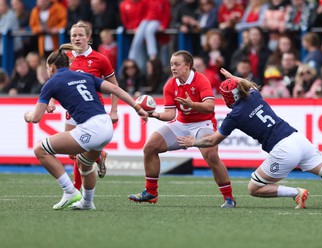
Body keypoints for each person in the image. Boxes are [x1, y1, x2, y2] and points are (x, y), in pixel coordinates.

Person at [177, 68, 322, 209]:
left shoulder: (234, 115)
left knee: (254, 188)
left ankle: (296, 193)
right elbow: (249, 85)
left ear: (226, 98)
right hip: (297, 139)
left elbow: (213, 140)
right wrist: (235, 78)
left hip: (283, 149)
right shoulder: (254, 95)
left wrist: (193, 142)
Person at [23, 44, 148, 210]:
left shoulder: (51, 82)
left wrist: (28, 115)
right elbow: (115, 89)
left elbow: (37, 118)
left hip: (91, 129)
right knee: (84, 163)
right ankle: (87, 203)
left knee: (40, 149)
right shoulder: (86, 76)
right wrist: (138, 108)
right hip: (106, 126)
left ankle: (70, 192)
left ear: (51, 67)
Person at [129, 50, 236, 208]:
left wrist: (192, 104)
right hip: (181, 123)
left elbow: (209, 107)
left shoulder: (201, 80)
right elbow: (170, 113)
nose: (173, 67)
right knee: (149, 147)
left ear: (188, 66)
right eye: (172, 64)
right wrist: (155, 114)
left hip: (203, 123)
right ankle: (151, 192)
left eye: (177, 64)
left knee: (211, 155)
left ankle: (229, 198)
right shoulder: (170, 85)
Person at [66, 21, 120, 189]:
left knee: (80, 149)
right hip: (72, 108)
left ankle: (75, 189)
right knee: (71, 153)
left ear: (88, 37)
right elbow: (56, 81)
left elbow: (114, 86)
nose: (77, 38)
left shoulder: (99, 59)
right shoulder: (66, 57)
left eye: (80, 35)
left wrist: (114, 110)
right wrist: (52, 101)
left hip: (92, 110)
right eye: (74, 35)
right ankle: (99, 156)